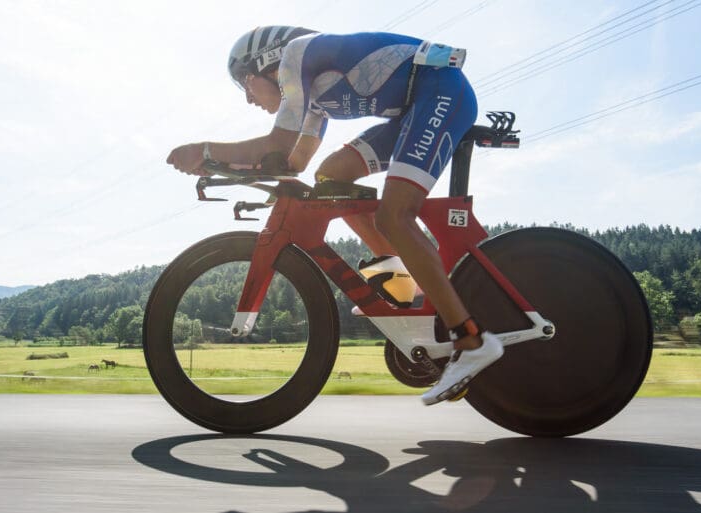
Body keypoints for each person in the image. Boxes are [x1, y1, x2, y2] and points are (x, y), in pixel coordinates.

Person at [166, 26, 504, 405]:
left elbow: (276, 144)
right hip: (420, 104)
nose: (247, 98)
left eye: (245, 84)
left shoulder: (297, 55)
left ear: (263, 64)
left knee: (396, 215)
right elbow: (295, 161)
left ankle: (471, 340)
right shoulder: (309, 99)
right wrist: (221, 166)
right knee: (332, 176)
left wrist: (205, 149)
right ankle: (405, 284)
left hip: (441, 92)